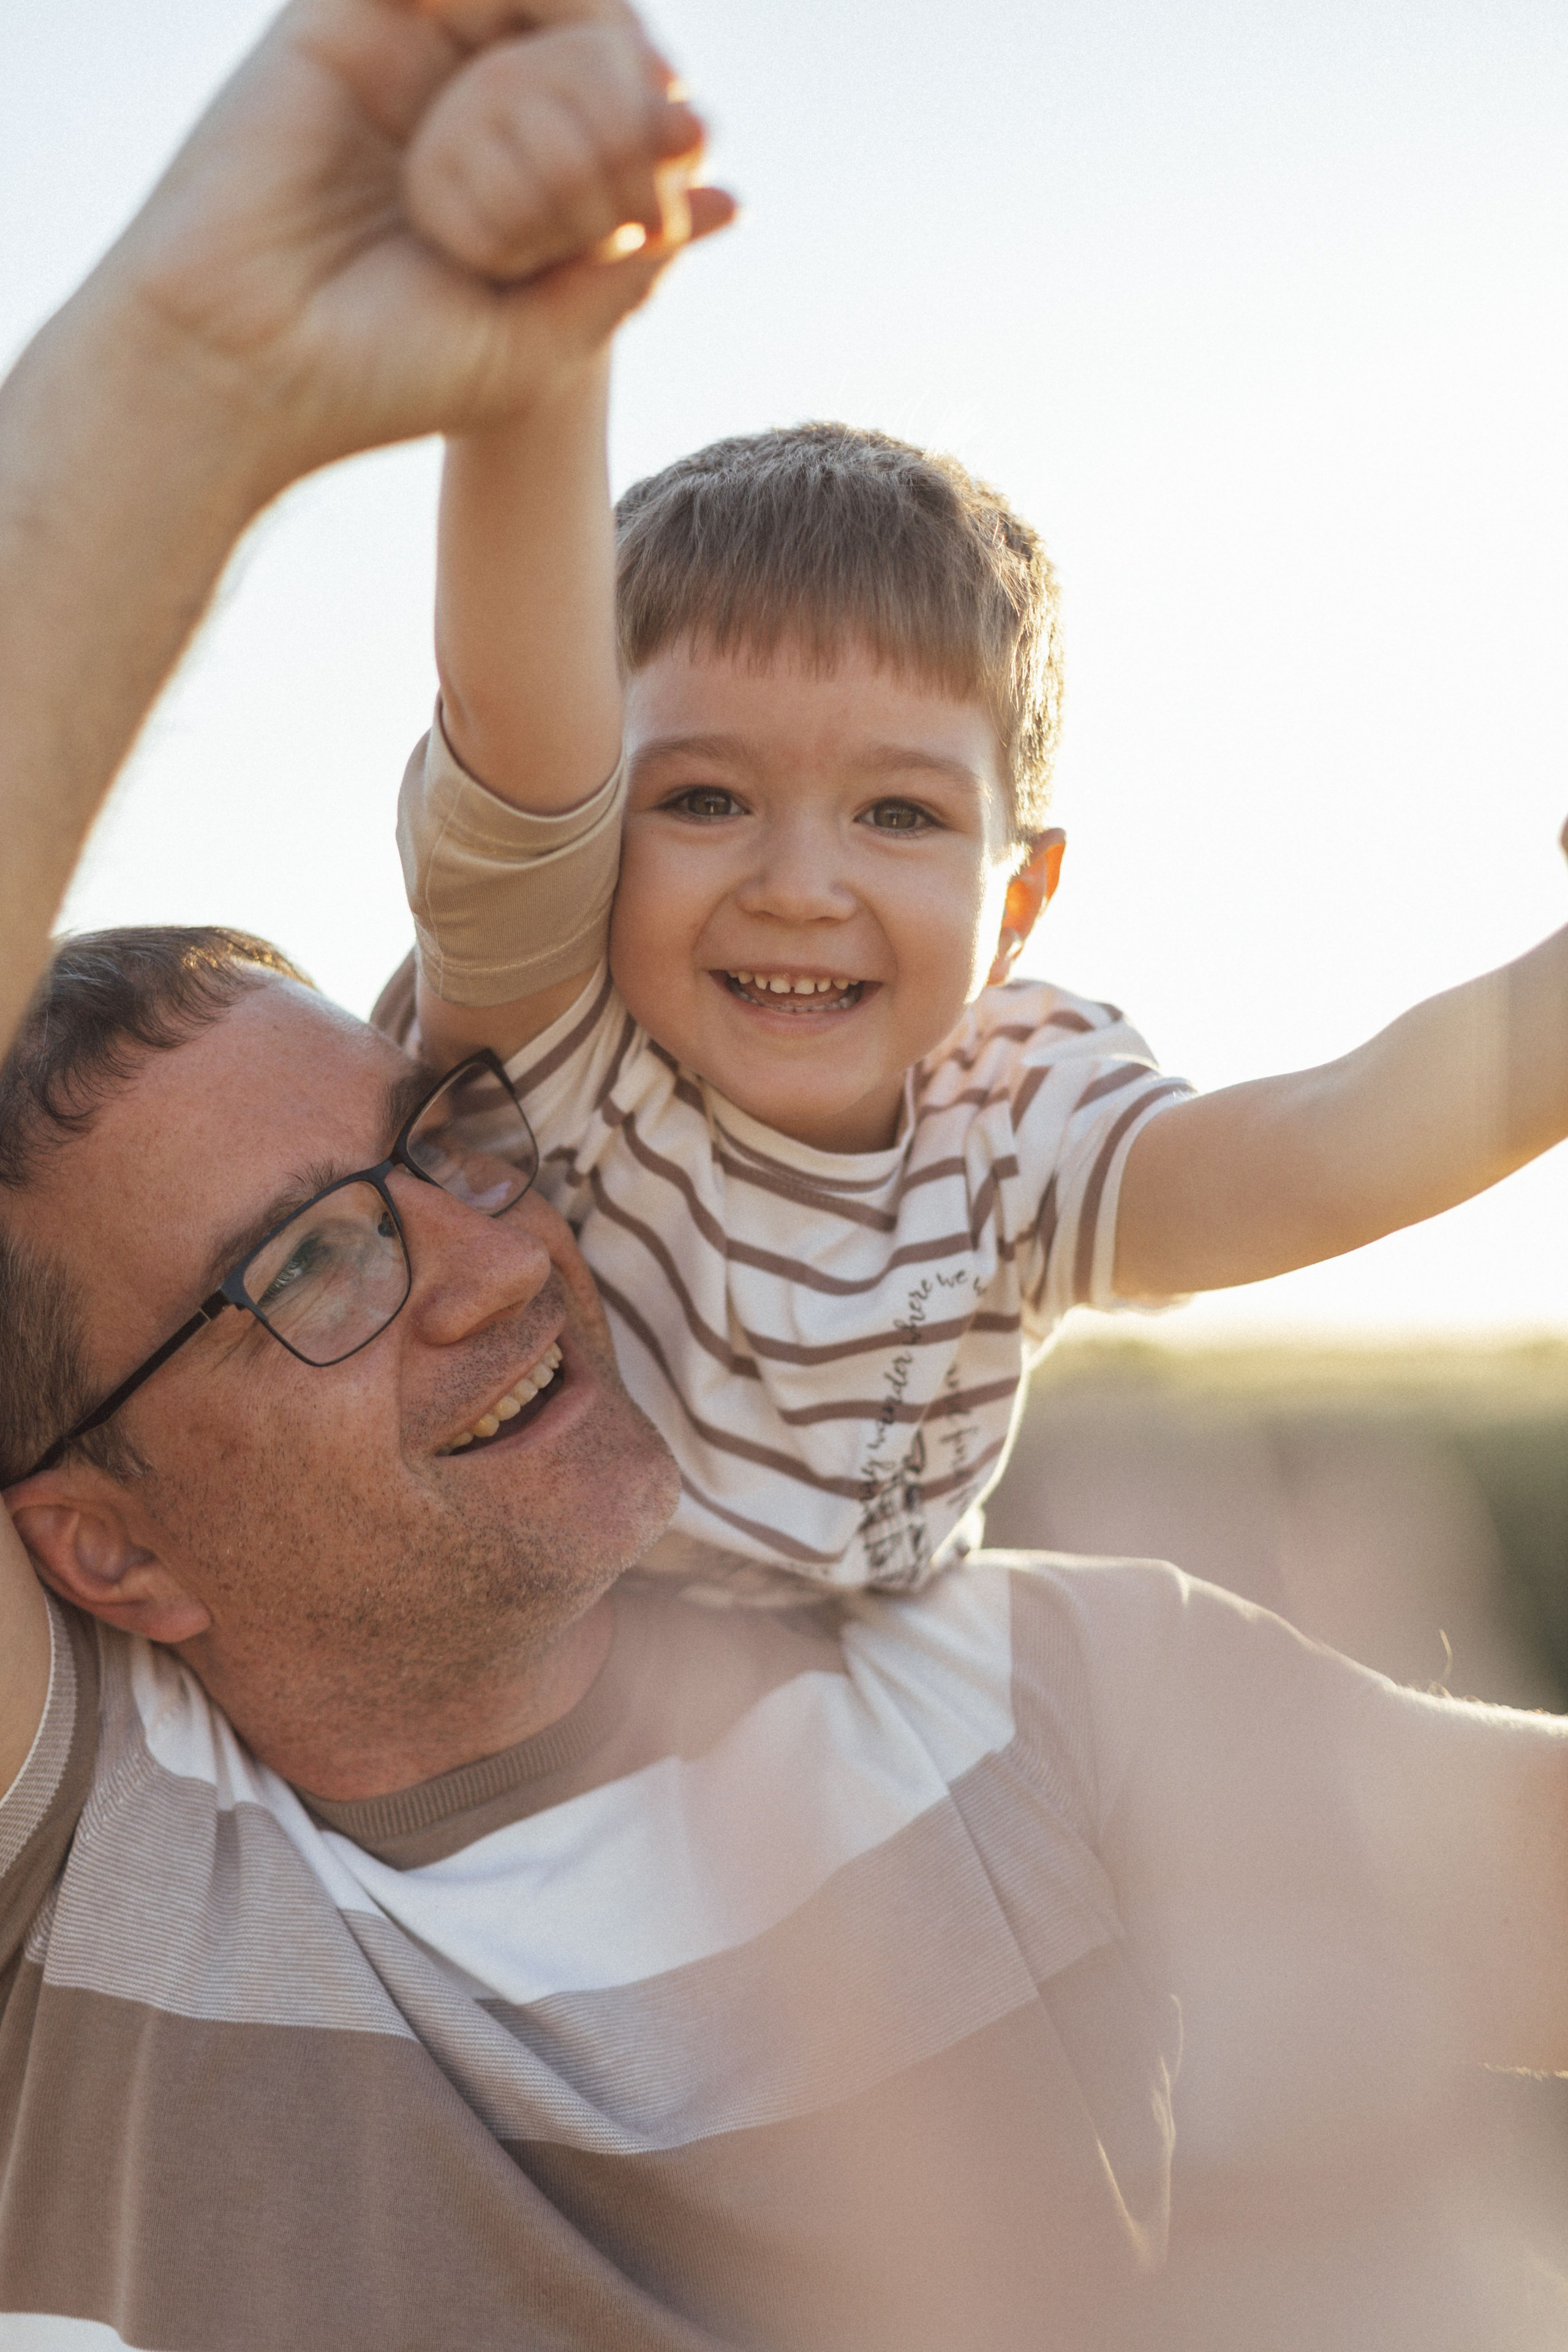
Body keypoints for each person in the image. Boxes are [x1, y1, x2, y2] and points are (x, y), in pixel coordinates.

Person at [4, 8, 1568, 2350]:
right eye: (309, 1259)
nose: (482, 1245)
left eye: (438, 1136)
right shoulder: (84, 1824)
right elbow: (532, 753)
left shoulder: (1055, 1700)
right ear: (96, 1539)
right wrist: (252, 366)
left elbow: (1315, 1144)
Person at [379, 337, 1568, 1603]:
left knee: (1188, 1658)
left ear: (1015, 902)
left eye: (897, 815)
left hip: (886, 1720)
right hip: (560, 1709)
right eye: (705, 798)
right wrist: (533, 347)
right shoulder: (557, 1048)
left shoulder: (1014, 1118)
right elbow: (514, 725)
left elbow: (1323, 1148)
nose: (796, 887)